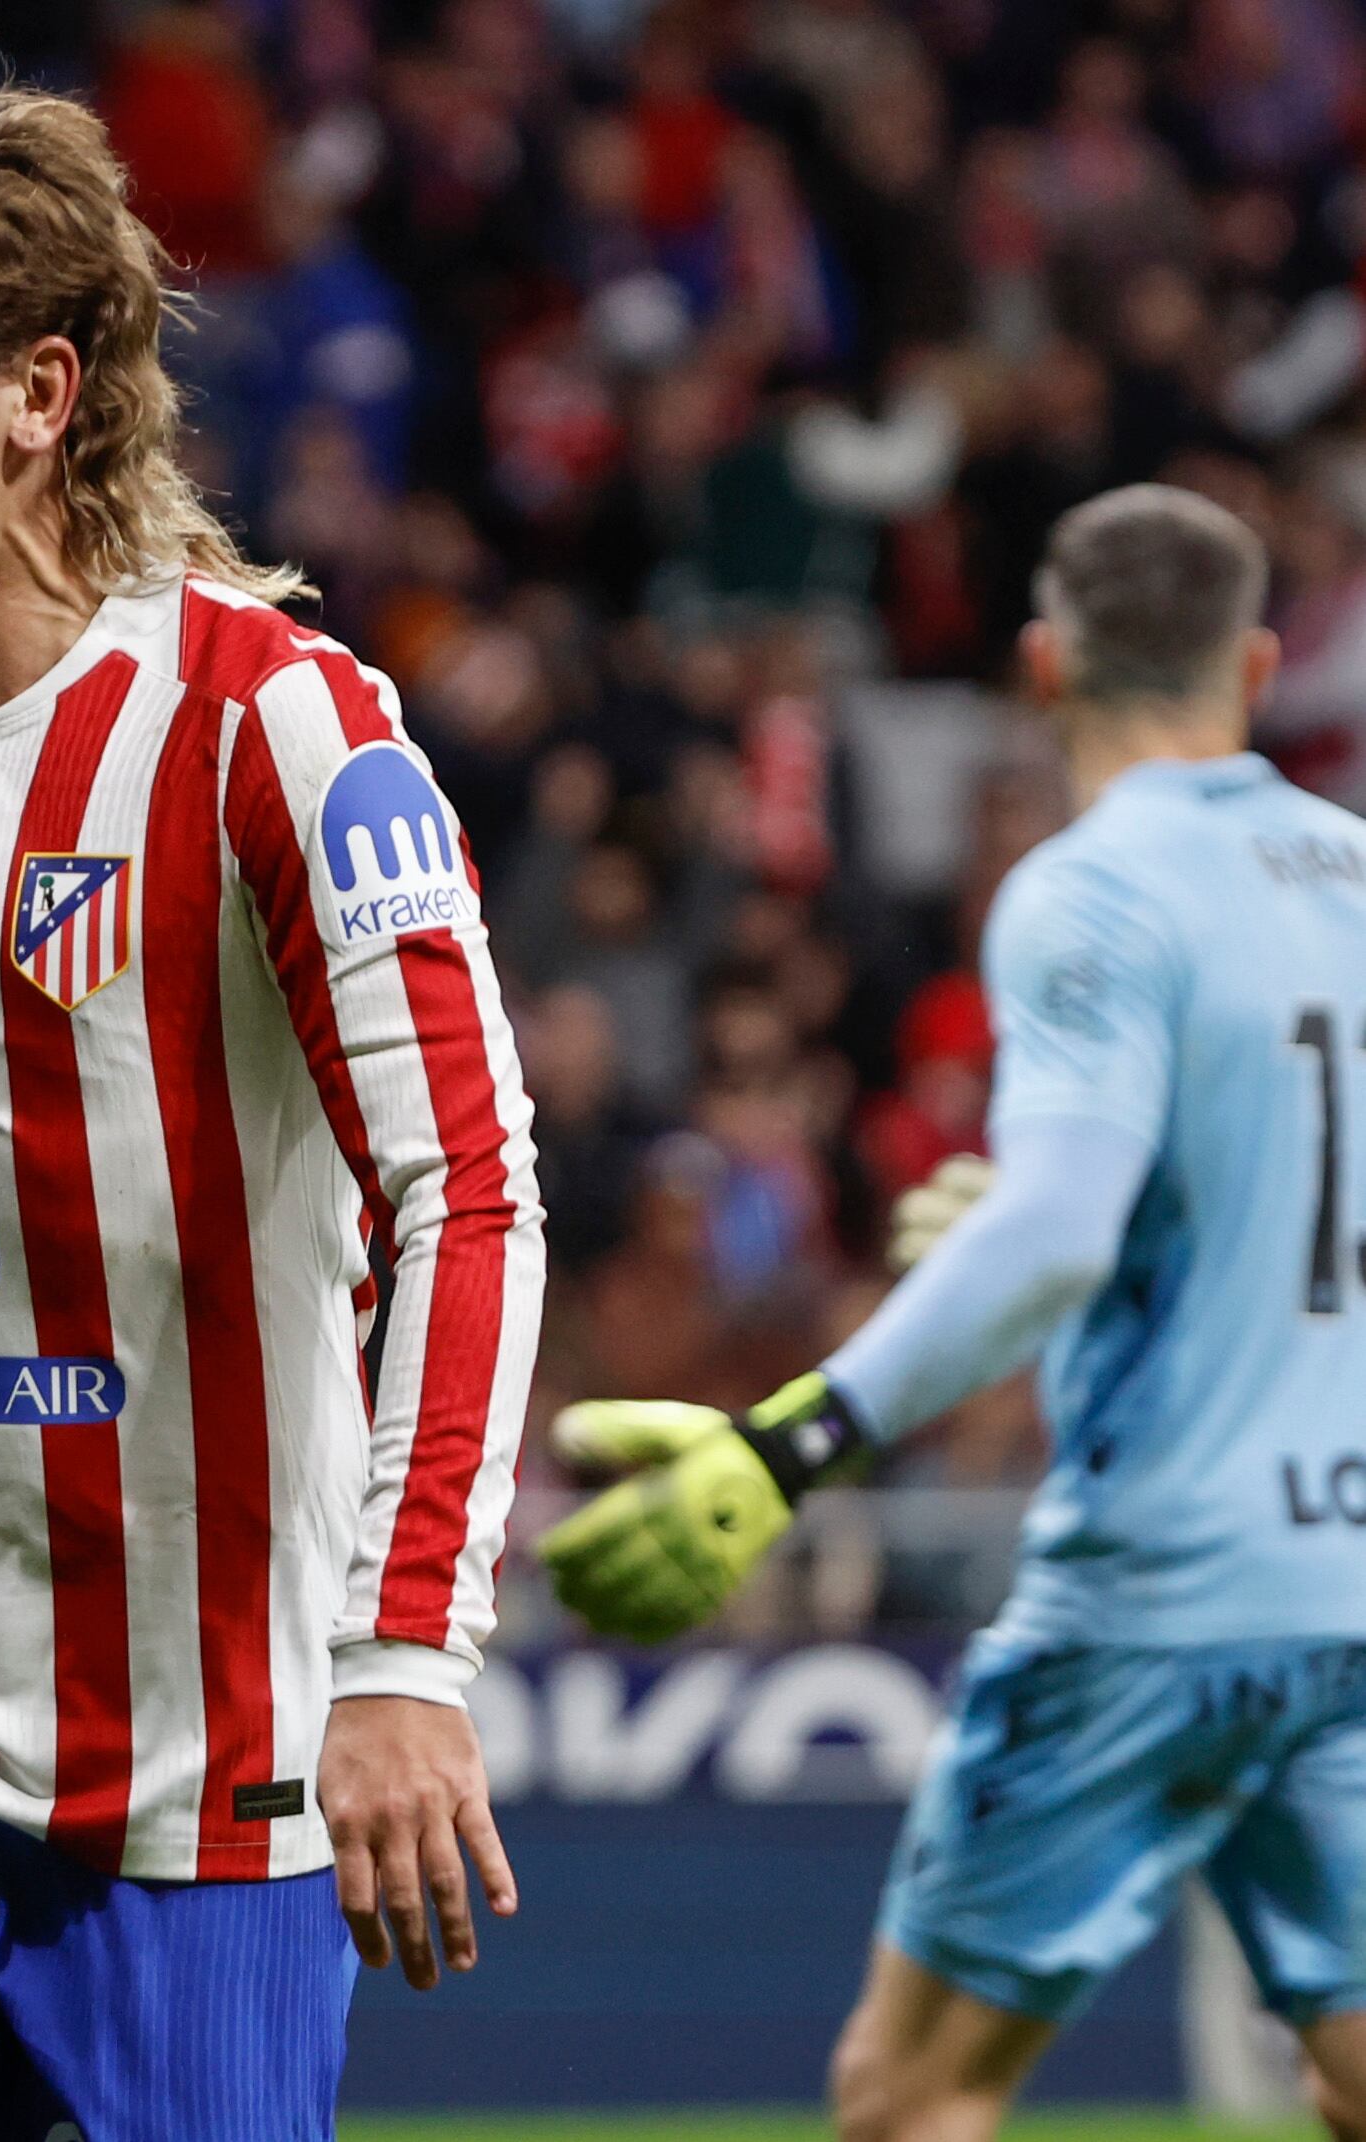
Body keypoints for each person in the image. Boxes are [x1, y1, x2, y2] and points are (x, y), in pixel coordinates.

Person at [0, 42, 545, 2142]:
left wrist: (407, 1652)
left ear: (36, 396)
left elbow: (469, 1187)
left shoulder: (280, 729)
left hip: (200, 1769)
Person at [542, 483, 1366, 2142]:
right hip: (1349, 1581)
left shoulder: (1091, 885)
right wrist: (1104, 1219)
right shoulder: (1353, 875)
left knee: (912, 2093)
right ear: (1259, 662)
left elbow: (1057, 1232)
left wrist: (790, 1446)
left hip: (1162, 1586)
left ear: (1042, 666)